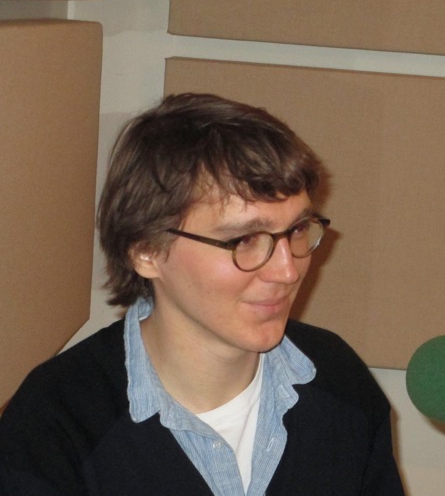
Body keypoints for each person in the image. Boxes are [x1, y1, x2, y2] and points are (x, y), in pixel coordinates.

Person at [0, 93, 404, 495]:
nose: (287, 270)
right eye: (245, 239)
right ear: (146, 250)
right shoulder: (53, 425)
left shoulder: (339, 380)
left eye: (297, 230)